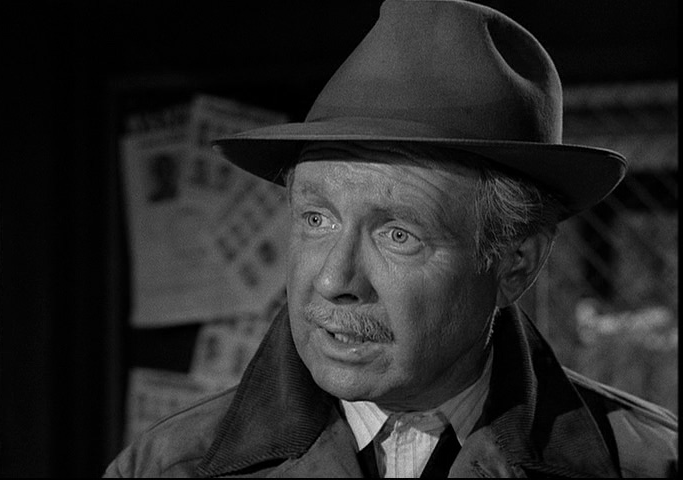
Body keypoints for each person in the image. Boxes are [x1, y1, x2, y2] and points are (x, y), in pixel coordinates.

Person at [104, 0, 677, 477]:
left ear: (515, 265)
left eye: (398, 234)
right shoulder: (166, 468)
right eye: (317, 219)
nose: (334, 279)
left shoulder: (650, 466)